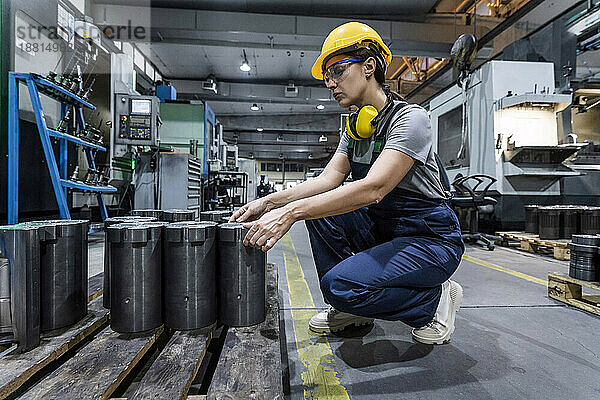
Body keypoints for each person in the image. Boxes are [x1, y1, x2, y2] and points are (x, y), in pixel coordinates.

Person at [230, 22, 465, 345]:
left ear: (369, 66)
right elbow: (328, 180)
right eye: (327, 76)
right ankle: (352, 309)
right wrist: (270, 202)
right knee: (321, 212)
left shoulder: (411, 120)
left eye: (338, 71)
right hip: (387, 229)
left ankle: (434, 301)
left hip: (430, 239)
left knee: (340, 284)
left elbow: (374, 188)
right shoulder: (356, 128)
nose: (330, 83)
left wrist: (292, 213)